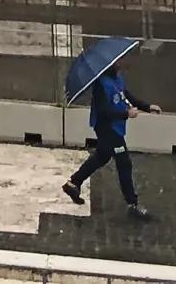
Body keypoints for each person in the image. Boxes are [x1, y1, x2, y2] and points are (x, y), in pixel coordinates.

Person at [62, 58, 157, 222]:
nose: (121, 64)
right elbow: (104, 111)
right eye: (118, 61)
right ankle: (132, 204)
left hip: (114, 127)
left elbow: (126, 95)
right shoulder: (100, 84)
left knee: (102, 156)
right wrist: (126, 114)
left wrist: (147, 107)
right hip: (107, 128)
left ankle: (73, 183)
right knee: (124, 162)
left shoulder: (117, 78)